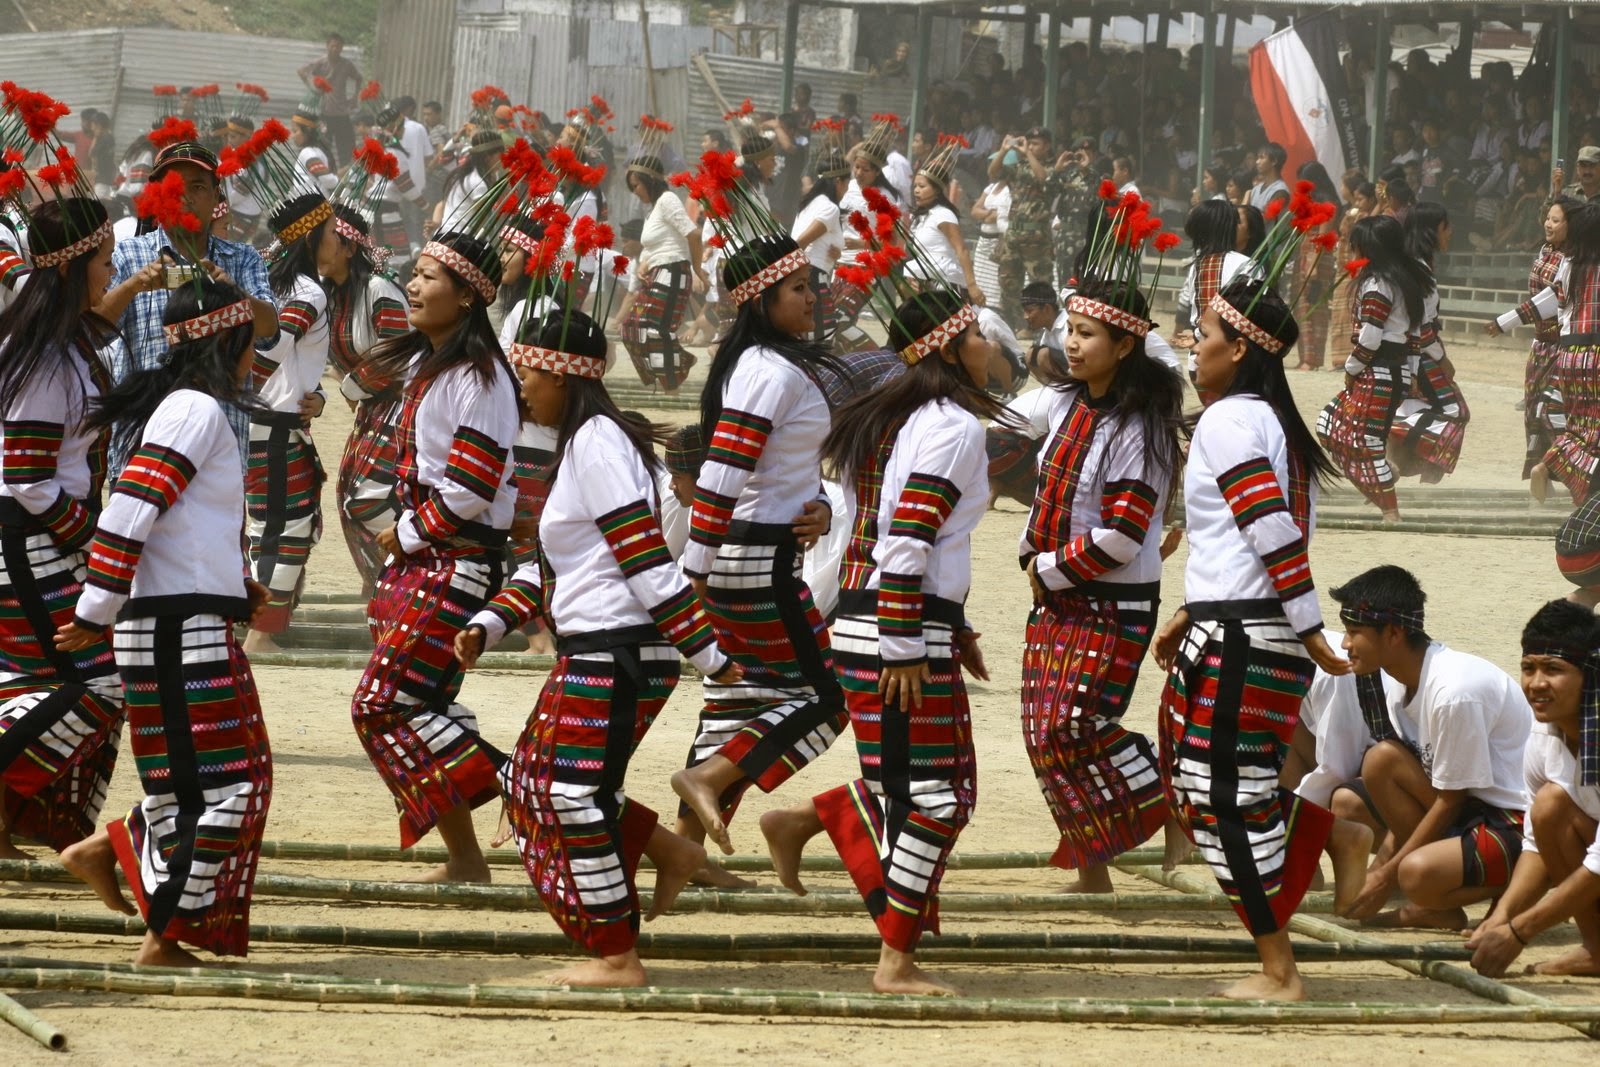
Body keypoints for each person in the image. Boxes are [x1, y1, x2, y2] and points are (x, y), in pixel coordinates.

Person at [455, 307, 741, 987]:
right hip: (598, 650)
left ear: (562, 376)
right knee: (532, 784)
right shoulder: (585, 443)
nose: (520, 388)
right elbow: (551, 564)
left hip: (617, 652)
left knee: (567, 795)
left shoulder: (599, 443)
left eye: (528, 372)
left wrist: (710, 656)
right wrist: (487, 625)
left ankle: (617, 954)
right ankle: (667, 855)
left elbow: (645, 557)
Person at [760, 287, 999, 996]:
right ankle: (895, 959)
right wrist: (907, 640)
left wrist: (947, 629)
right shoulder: (951, 425)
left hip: (885, 619)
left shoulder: (907, 417)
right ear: (947, 348)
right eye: (977, 333)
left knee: (923, 784)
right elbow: (907, 539)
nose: (990, 344)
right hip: (894, 624)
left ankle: (816, 825)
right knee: (935, 795)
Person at [1153, 277, 1365, 1001]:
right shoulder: (1259, 418)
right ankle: (1326, 847)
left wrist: (1307, 628)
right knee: (1216, 788)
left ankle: (1281, 968)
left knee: (1221, 794)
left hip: (1249, 633)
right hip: (1238, 622)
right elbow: (1248, 543)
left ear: (1239, 349)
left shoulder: (1230, 420)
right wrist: (1194, 609)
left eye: (1203, 333)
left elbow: (1271, 531)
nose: (1192, 341)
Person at [57, 277, 273, 966]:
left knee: (224, 777)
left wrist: (238, 585)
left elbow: (179, 524)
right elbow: (131, 507)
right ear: (232, 343)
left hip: (190, 619)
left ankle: (115, 850)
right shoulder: (195, 411)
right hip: (176, 627)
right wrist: (96, 609)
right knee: (223, 786)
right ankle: (161, 931)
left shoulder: (191, 408)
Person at [348, 230, 519, 881]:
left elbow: (472, 489)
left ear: (469, 297)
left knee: (381, 704)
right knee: (424, 708)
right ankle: (466, 857)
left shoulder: (480, 379)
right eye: (413, 273)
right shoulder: (433, 363)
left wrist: (409, 532)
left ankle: (526, 789)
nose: (413, 286)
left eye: (429, 276)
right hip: (426, 563)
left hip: (456, 564)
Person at [668, 232, 846, 858]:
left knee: (737, 697)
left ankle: (686, 854)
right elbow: (723, 473)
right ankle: (708, 777)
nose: (811, 298)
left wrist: (820, 504)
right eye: (798, 289)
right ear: (760, 300)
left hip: (744, 555)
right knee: (826, 699)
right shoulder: (768, 371)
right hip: (752, 562)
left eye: (809, 286)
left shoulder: (764, 366)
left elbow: (777, 467)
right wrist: (694, 570)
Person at [1019, 275, 1186, 890]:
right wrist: (1030, 554)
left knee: (1070, 727)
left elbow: (1121, 534)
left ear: (1123, 346)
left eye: (1087, 334)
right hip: (1059, 591)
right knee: (1044, 732)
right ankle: (1094, 870)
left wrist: (1046, 567)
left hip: (1112, 600)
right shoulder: (1065, 402)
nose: (1072, 343)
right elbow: (1044, 488)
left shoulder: (1139, 428)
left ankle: (1172, 799)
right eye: (1070, 330)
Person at [0, 197, 125, 861]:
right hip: (33, 535)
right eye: (105, 263)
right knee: (99, 681)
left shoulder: (58, 341)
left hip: (40, 533)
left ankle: (12, 822)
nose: (112, 273)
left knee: (30, 677)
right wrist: (94, 540)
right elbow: (26, 475)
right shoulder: (45, 358)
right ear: (76, 268)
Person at [1332, 566, 1532, 931]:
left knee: (1415, 873)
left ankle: (1516, 889)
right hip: (1471, 807)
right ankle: (1435, 904)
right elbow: (1428, 788)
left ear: (1393, 633)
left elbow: (1450, 799)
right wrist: (1380, 872)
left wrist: (1386, 875)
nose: (1345, 644)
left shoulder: (1454, 692)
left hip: (1517, 821)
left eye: (1354, 632)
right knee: (1356, 794)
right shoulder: (1396, 680)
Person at [95, 141, 279, 475]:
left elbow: (269, 330)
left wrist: (234, 293)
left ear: (216, 197)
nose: (186, 197)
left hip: (221, 437)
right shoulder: (128, 256)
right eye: (175, 187)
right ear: (158, 196)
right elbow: (96, 329)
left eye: (198, 187)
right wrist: (133, 285)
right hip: (144, 432)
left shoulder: (243, 259)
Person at [1467, 599, 1600, 978]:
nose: (1536, 684)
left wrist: (1520, 931)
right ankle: (1596, 947)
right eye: (1529, 668)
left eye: (1553, 670)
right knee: (1549, 806)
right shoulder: (1544, 732)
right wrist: (1501, 918)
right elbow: (1537, 842)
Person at [1316, 215, 1432, 522]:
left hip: (1376, 371)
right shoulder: (1406, 283)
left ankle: (1389, 507)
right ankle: (1380, 482)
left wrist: (1352, 368)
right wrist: (1411, 374)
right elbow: (1415, 336)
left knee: (1353, 435)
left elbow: (1370, 336)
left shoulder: (1377, 285)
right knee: (1347, 429)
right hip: (1395, 371)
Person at [323, 202, 410, 594]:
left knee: (367, 500)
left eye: (326, 238)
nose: (317, 246)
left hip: (400, 407)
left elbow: (399, 353)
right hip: (370, 411)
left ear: (349, 248)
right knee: (348, 496)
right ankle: (387, 583)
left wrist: (348, 387)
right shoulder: (329, 295)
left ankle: (407, 570)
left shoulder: (378, 289)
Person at [1486, 197, 1576, 483]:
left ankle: (1569, 471)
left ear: (1570, 225)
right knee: (1532, 414)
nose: (1549, 224)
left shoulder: (1573, 257)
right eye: (1548, 219)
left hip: (1563, 346)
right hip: (1540, 346)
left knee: (1549, 411)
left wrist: (1506, 322)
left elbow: (1551, 300)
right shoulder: (1545, 250)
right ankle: (1545, 479)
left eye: (1556, 220)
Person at [619, 134, 705, 393]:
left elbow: (693, 234)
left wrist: (697, 269)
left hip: (673, 272)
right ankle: (675, 369)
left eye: (636, 185)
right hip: (659, 273)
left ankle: (670, 386)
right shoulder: (653, 209)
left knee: (655, 330)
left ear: (649, 180)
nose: (635, 191)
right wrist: (644, 263)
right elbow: (652, 245)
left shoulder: (667, 200)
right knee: (631, 328)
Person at [1391, 202, 1468, 483]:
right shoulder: (1420, 272)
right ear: (1435, 230)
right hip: (1417, 354)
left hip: (1402, 353)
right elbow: (1421, 328)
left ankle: (1399, 462)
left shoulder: (1407, 264)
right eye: (1447, 227)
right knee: (1455, 411)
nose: (1451, 233)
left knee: (1419, 407)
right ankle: (1396, 438)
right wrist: (1442, 358)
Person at [990, 127, 1065, 322]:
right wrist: (1004, 150)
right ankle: (1012, 323)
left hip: (1037, 240)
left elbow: (1044, 179)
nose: (1030, 147)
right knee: (1008, 283)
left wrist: (1028, 154)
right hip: (1013, 235)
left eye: (1036, 144)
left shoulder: (1054, 167)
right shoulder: (1019, 167)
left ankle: (1040, 326)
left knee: (1040, 285)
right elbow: (993, 172)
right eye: (1029, 143)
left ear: (1047, 146)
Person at [908, 142, 985, 306]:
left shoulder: (944, 214)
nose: (916, 190)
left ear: (937, 190)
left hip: (944, 284)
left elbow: (961, 250)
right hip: (922, 282)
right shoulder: (919, 217)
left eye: (922, 186)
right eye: (915, 186)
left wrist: (972, 285)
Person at [790, 143, 847, 346]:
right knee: (821, 334)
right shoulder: (830, 208)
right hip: (812, 274)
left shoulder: (811, 202)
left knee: (816, 332)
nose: (846, 191)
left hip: (808, 272)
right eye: (846, 185)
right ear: (839, 182)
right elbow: (800, 242)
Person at [298, 33, 361, 164]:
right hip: (324, 113)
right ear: (327, 46)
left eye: (338, 46)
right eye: (333, 46)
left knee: (346, 147)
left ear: (342, 48)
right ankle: (326, 175)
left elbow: (358, 78)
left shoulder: (346, 64)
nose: (335, 49)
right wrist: (313, 88)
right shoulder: (321, 62)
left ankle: (345, 176)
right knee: (323, 147)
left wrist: (355, 97)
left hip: (342, 112)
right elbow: (302, 71)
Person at [1247, 143, 1290, 214]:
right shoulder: (1256, 189)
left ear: (1274, 161)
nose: (1257, 162)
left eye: (1262, 158)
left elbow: (1265, 219)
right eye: (1257, 158)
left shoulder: (1280, 191)